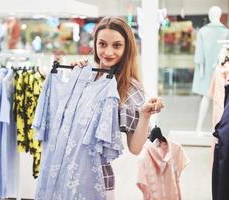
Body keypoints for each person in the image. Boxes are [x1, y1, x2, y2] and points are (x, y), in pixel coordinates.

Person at [34, 16, 164, 200]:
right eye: (102, 44)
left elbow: (135, 148)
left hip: (95, 182)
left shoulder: (129, 88)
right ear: (95, 45)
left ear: (127, 48)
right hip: (62, 175)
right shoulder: (85, 75)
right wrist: (73, 79)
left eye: (117, 45)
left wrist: (144, 115)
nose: (108, 52)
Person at [192, 6, 229, 134]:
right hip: (221, 69)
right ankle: (220, 130)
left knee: (206, 98)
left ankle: (199, 128)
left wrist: (201, 71)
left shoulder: (202, 31)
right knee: (221, 101)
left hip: (207, 70)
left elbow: (199, 55)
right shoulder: (226, 32)